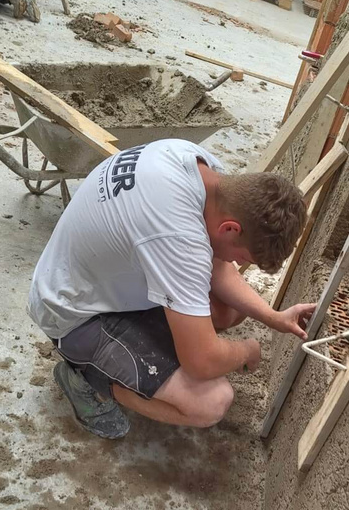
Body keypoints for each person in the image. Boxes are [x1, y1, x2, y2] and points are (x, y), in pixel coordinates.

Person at [28, 139, 313, 439]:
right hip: (72, 313)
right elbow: (202, 361)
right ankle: (85, 379)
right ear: (230, 228)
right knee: (211, 402)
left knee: (228, 310)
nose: (237, 263)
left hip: (95, 278)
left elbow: (219, 269)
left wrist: (272, 317)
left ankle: (141, 346)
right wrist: (247, 351)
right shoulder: (177, 234)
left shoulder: (196, 165)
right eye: (243, 257)